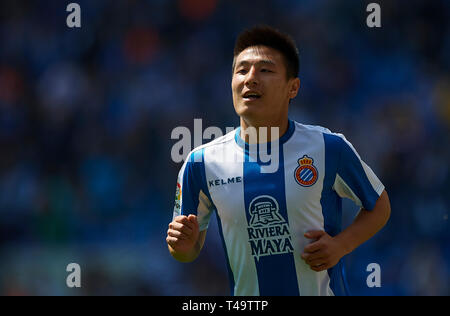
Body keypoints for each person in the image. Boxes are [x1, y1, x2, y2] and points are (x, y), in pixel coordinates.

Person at [166, 25, 391, 296]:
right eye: (242, 70)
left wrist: (341, 245)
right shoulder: (200, 162)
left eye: (265, 70)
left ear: (292, 87)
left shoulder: (328, 147)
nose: (250, 79)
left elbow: (379, 204)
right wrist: (181, 246)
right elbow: (186, 252)